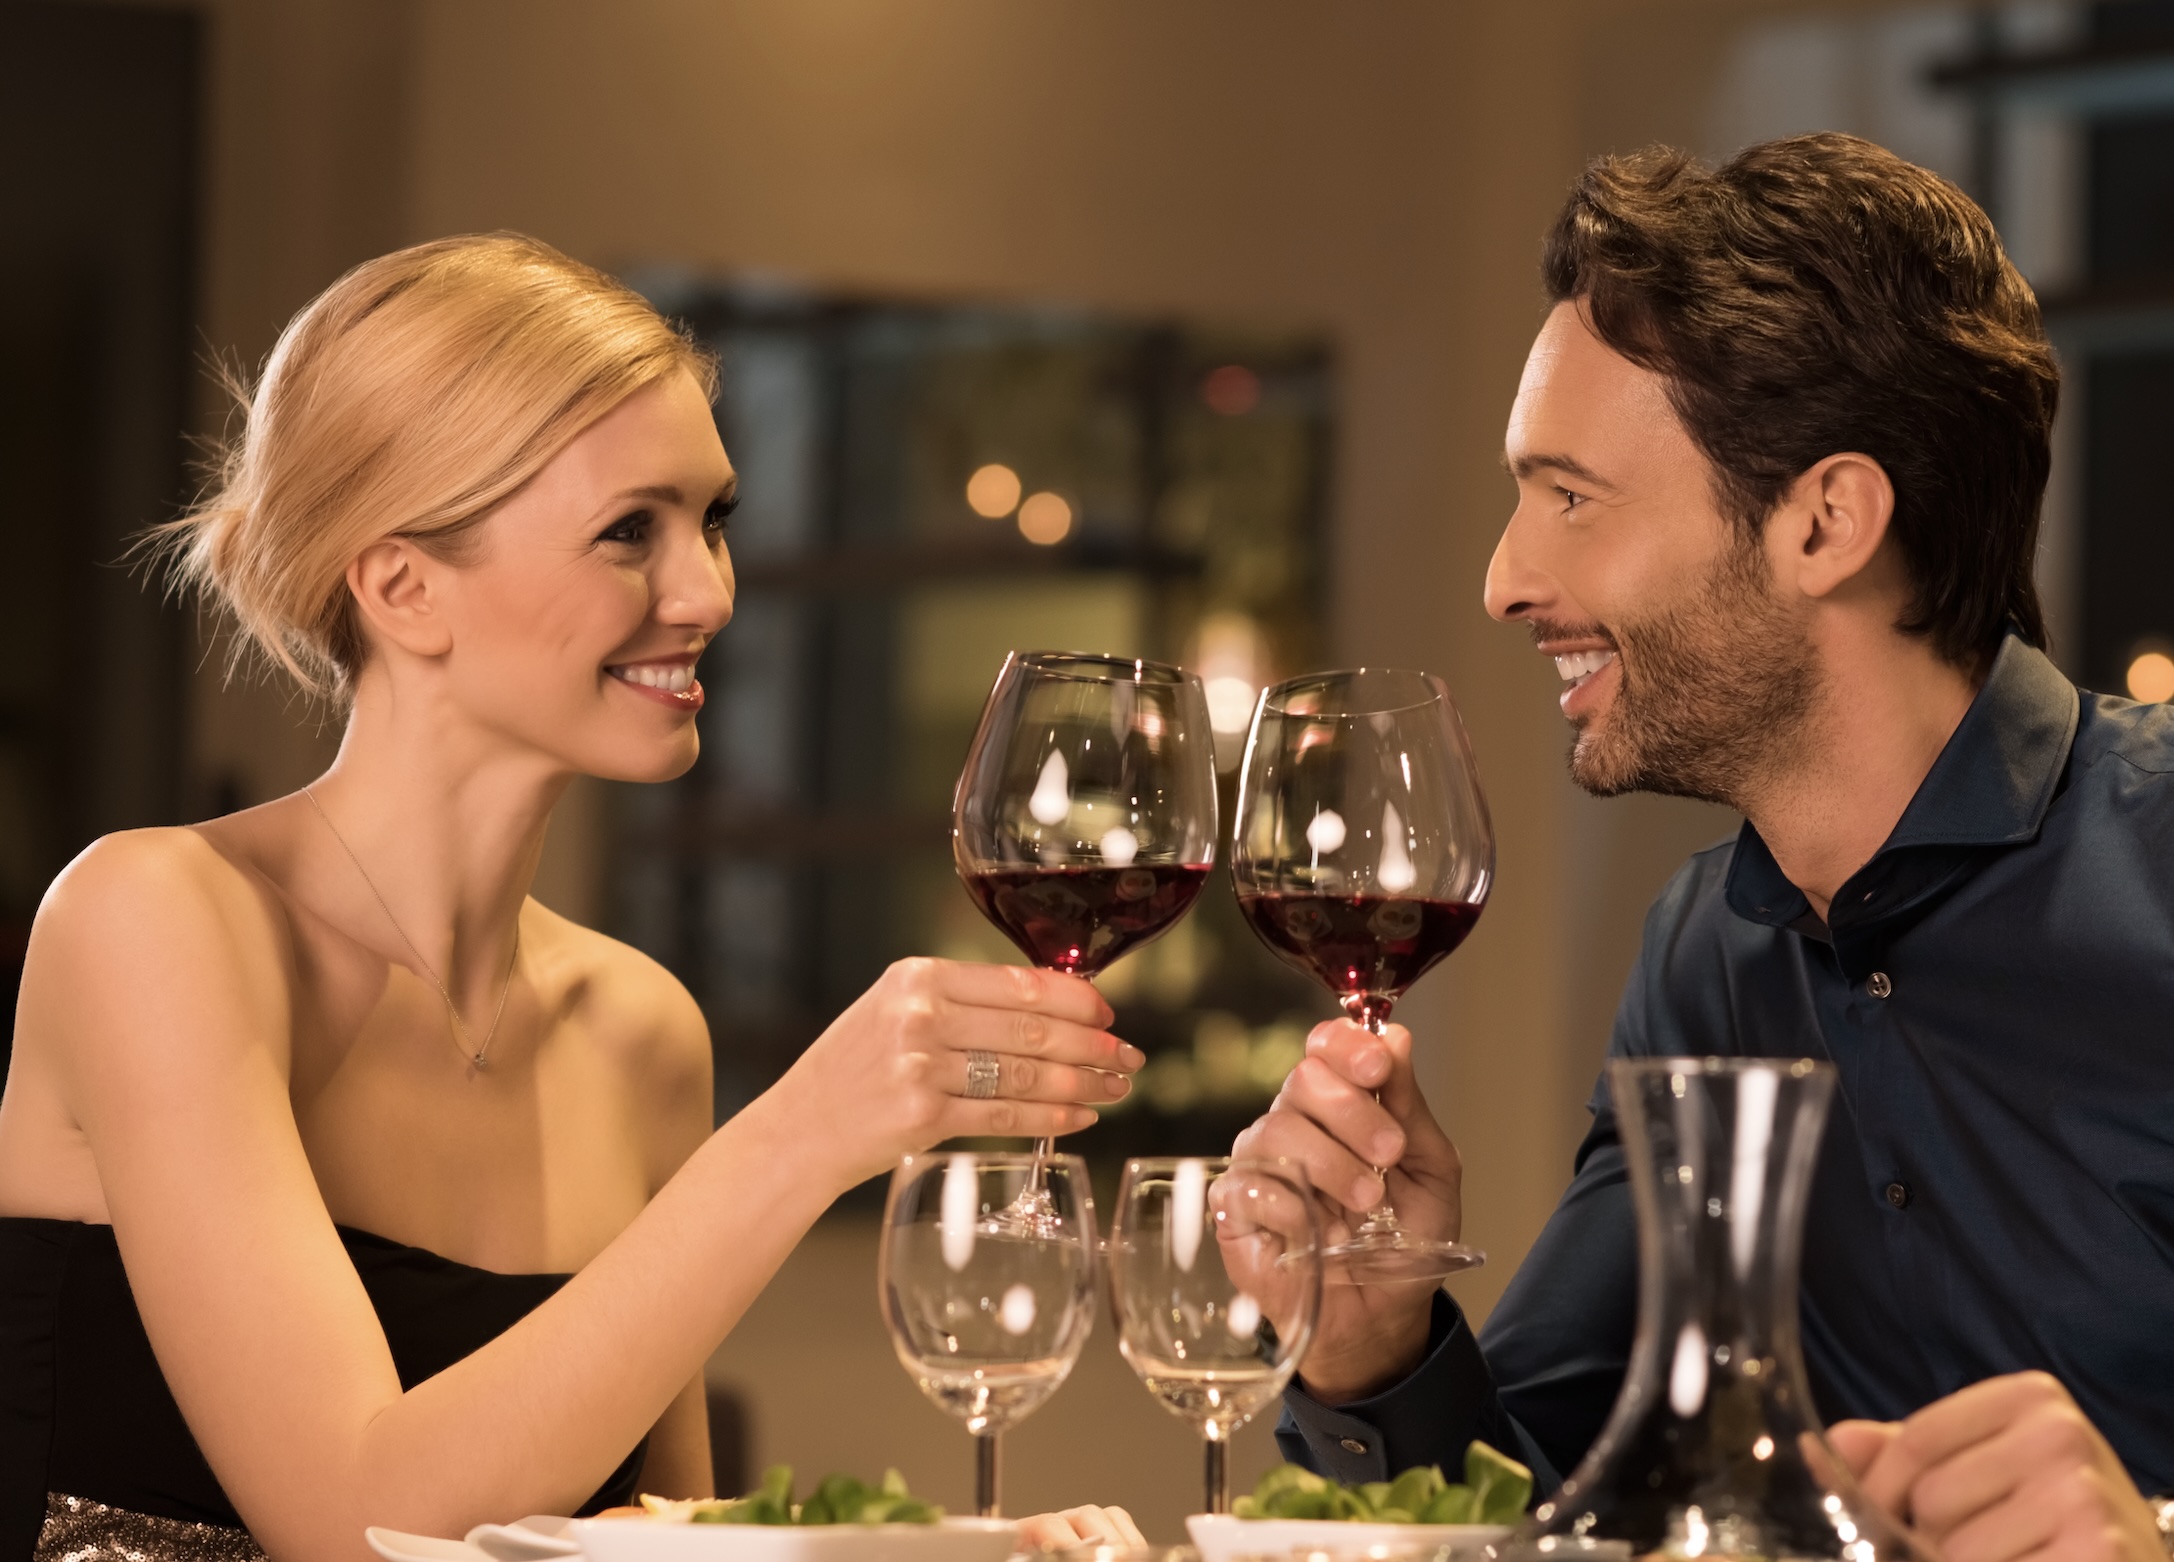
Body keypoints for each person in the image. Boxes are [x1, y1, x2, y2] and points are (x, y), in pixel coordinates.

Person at [0, 234, 1145, 1561]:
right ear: (402, 586)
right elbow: (344, 1522)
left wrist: (957, 1550)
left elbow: (663, 1544)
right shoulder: (154, 919)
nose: (707, 591)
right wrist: (793, 1139)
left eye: (710, 520)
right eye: (627, 532)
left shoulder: (637, 1027)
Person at [1237, 133, 2174, 1562]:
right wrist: (1371, 1339)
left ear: (1822, 521)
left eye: (1567, 495)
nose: (1503, 580)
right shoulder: (1707, 953)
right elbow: (1552, 1507)